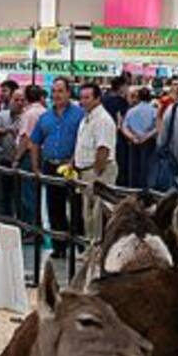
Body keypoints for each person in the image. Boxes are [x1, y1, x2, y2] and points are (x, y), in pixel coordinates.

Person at [30, 77, 84, 258]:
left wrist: (73, 160)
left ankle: (81, 246)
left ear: (69, 92)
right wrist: (36, 167)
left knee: (76, 207)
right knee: (54, 207)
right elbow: (35, 141)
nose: (56, 95)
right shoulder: (45, 117)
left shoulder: (79, 115)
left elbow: (83, 140)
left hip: (72, 166)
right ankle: (59, 246)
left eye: (60, 91)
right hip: (50, 165)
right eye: (54, 91)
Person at [74, 81, 118, 241]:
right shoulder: (86, 118)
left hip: (99, 172)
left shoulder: (102, 120)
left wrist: (96, 174)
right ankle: (90, 246)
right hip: (87, 172)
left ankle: (97, 247)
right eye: (81, 98)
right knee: (89, 214)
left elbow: (103, 149)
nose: (83, 101)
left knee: (98, 215)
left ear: (98, 98)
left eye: (87, 97)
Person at [0, 86, 24, 222]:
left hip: (19, 162)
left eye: (22, 100)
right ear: (11, 100)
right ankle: (0, 221)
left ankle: (14, 222)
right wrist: (7, 130)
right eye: (16, 99)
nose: (19, 103)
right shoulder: (2, 115)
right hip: (3, 159)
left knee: (17, 195)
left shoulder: (26, 117)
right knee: (1, 193)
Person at [13, 84, 46, 225]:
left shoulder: (29, 114)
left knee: (27, 193)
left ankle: (29, 226)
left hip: (28, 156)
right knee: (36, 192)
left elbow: (25, 138)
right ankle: (36, 224)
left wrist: (17, 158)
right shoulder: (45, 112)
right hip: (42, 154)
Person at [121, 86, 158, 189]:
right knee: (147, 169)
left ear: (138, 97)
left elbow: (124, 127)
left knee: (134, 168)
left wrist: (132, 137)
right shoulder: (154, 111)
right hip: (149, 142)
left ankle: (133, 190)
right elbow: (157, 127)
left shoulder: (131, 111)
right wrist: (146, 136)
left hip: (133, 143)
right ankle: (146, 190)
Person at [101, 74, 130, 185]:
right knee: (120, 167)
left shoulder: (103, 99)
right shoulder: (121, 102)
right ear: (121, 87)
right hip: (118, 138)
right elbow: (122, 122)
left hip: (104, 136)